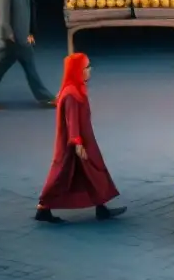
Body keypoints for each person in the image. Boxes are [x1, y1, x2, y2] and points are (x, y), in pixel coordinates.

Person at [35, 53, 125, 223]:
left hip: (83, 140)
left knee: (91, 171)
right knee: (62, 173)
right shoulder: (71, 94)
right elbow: (72, 120)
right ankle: (43, 207)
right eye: (86, 67)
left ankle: (101, 206)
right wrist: (77, 143)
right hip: (75, 143)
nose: (89, 70)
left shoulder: (74, 89)